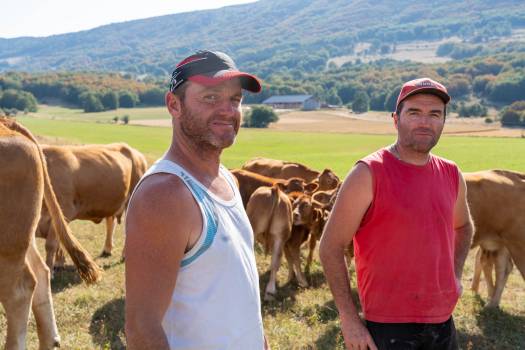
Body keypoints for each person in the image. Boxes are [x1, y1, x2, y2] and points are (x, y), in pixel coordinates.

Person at [125, 50, 269, 349]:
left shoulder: (226, 179)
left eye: (235, 100)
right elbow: (142, 329)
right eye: (210, 98)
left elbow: (243, 300)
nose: (228, 110)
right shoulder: (165, 194)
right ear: (173, 104)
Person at [319, 78, 474, 350]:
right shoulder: (368, 173)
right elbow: (330, 246)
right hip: (386, 326)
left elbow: (464, 227)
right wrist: (349, 318)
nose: (425, 122)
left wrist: (456, 275)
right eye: (414, 112)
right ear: (395, 119)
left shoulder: (451, 173)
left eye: (434, 114)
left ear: (443, 122)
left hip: (442, 321)